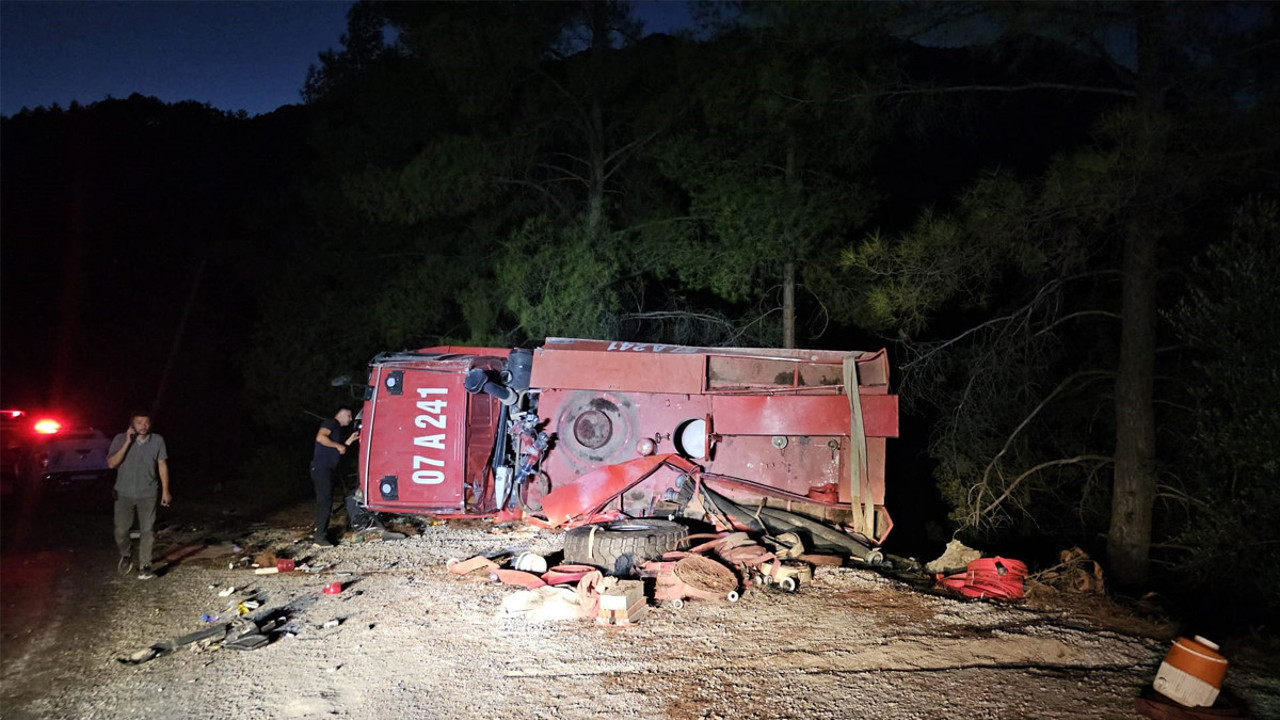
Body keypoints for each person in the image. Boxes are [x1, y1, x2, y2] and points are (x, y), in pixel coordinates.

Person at [106, 412, 170, 580]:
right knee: (121, 530)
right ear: (132, 424)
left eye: (146, 422)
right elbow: (112, 463)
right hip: (123, 493)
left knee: (147, 530)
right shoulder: (120, 439)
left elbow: (162, 464)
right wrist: (128, 442)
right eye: (139, 422)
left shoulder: (157, 440)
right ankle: (126, 554)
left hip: (148, 492)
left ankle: (145, 565)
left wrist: (165, 490)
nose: (143, 426)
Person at [312, 407, 358, 547]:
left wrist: (349, 440)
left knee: (327, 500)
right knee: (324, 501)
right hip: (321, 468)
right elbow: (320, 437)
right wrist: (337, 445)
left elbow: (340, 449)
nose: (351, 419)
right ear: (341, 415)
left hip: (329, 469)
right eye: (349, 416)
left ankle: (322, 533)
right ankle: (320, 537)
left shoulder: (338, 430)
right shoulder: (331, 423)